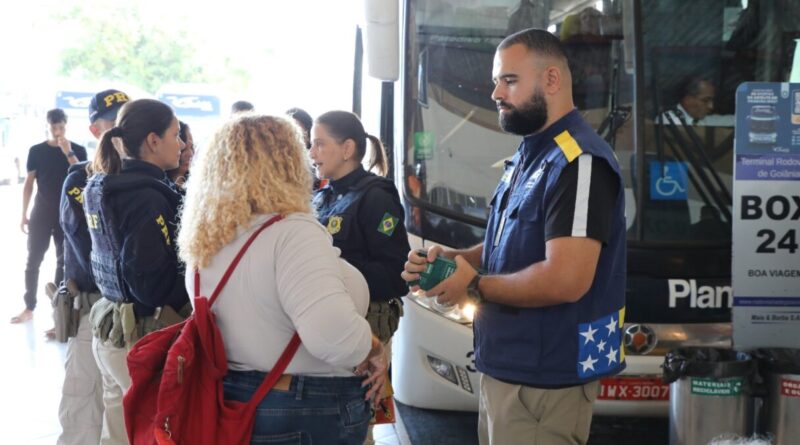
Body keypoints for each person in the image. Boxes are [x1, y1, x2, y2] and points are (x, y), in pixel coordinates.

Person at [402, 28, 626, 445]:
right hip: (509, 367)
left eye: (509, 80)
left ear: (552, 80)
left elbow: (567, 278)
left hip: (544, 379)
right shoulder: (533, 152)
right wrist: (459, 257)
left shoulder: (580, 163)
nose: (495, 94)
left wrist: (471, 284)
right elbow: (512, 246)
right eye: (496, 81)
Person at [177, 113, 387, 444]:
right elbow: (332, 337)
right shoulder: (292, 233)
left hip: (231, 399)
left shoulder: (207, 239)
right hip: (303, 409)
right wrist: (374, 349)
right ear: (286, 164)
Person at [84, 98, 190, 444]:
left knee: (116, 434)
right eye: (176, 135)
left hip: (110, 330)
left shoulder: (103, 187)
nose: (183, 144)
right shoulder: (147, 197)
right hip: (142, 337)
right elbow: (149, 283)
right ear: (153, 141)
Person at [310, 110, 409, 444]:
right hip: (334, 325)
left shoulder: (375, 196)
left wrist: (335, 272)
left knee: (355, 429)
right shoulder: (323, 196)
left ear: (348, 148)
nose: (312, 154)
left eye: (320, 144)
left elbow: (396, 274)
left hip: (367, 329)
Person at [56, 88, 129, 445]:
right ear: (95, 131)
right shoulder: (80, 180)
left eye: (125, 122)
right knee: (83, 411)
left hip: (129, 319)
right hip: (90, 313)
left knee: (119, 418)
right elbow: (90, 250)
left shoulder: (143, 179)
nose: (119, 130)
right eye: (112, 122)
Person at [12, 108, 87, 325]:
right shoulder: (36, 151)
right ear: (47, 127)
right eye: (53, 128)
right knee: (33, 259)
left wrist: (68, 152)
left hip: (68, 214)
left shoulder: (78, 151)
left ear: (66, 126)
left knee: (63, 263)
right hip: (41, 212)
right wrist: (23, 213)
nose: (57, 132)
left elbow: (83, 177)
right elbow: (29, 183)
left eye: (61, 127)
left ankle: (58, 312)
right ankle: (29, 306)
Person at [166, 120, 194, 191]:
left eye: (191, 147)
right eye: (184, 149)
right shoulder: (160, 186)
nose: (190, 154)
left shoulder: (198, 181)